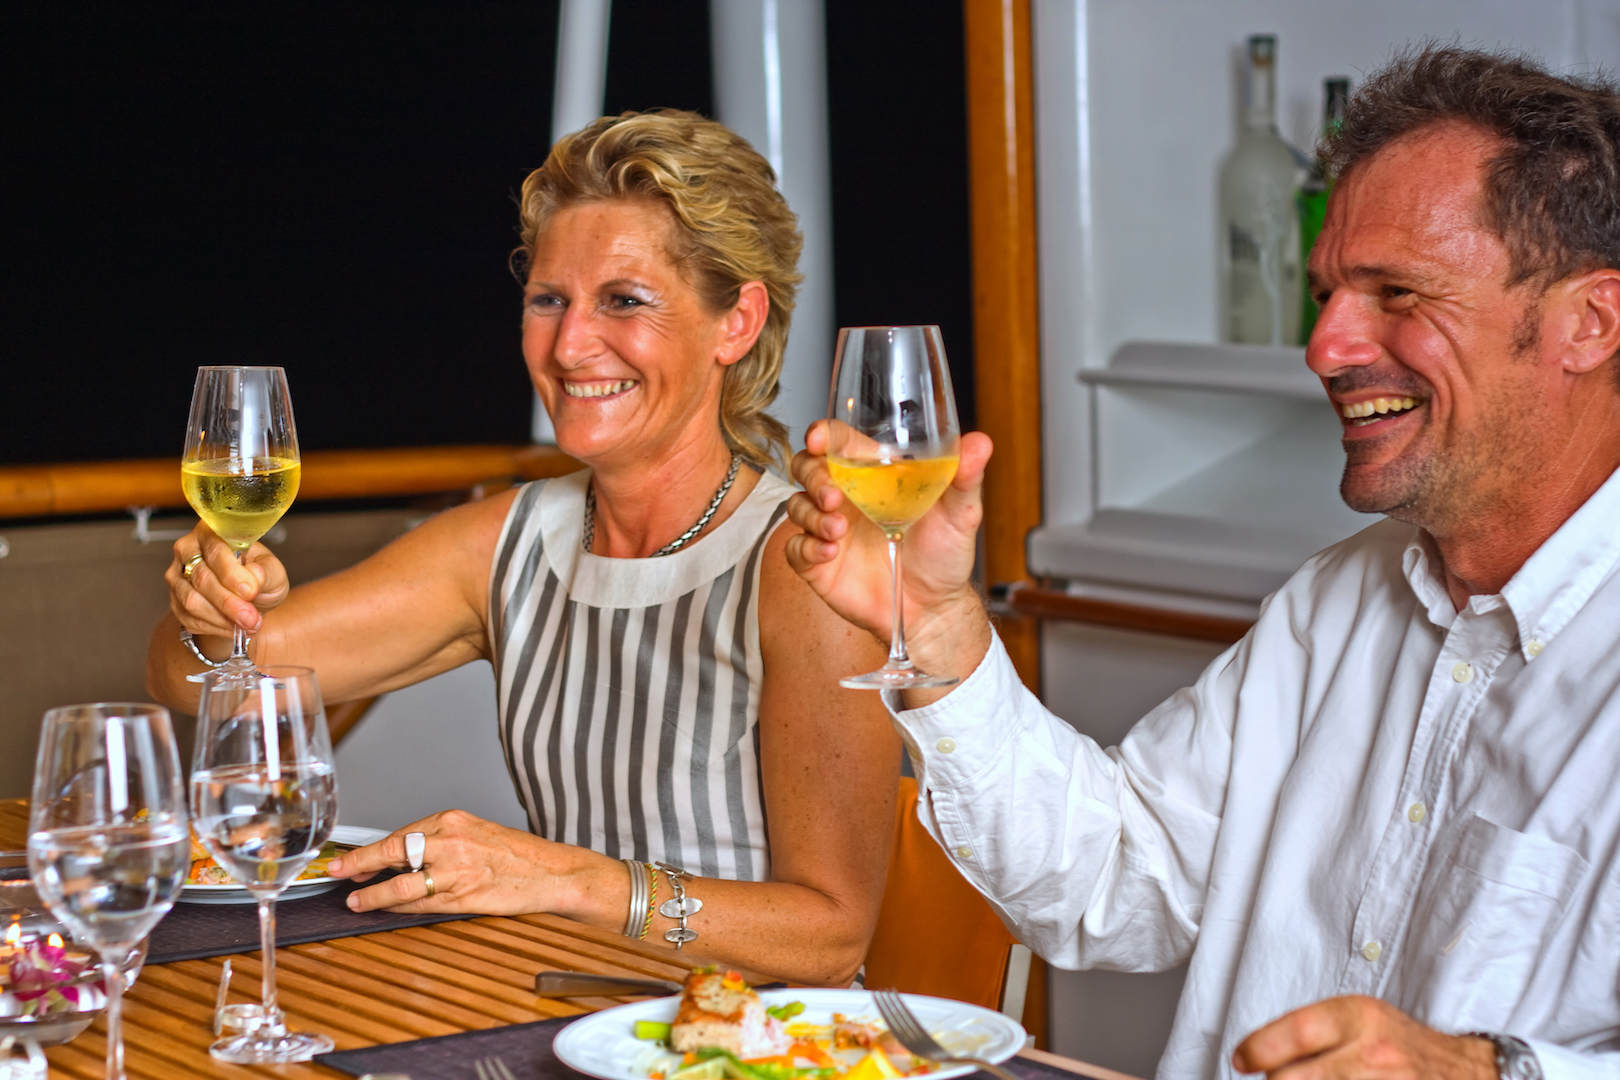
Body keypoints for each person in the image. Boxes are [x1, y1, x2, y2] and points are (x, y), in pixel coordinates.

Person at [787, 47, 1620, 1078]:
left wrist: (1484, 1071)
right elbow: (1109, 880)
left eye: (1398, 292)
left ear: (1591, 321)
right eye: (1327, 293)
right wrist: (943, 632)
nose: (1324, 346)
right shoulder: (1334, 603)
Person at [147, 110, 899, 986]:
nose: (570, 346)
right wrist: (213, 611)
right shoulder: (508, 540)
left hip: (754, 1035)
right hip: (558, 1008)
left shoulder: (804, 563)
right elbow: (194, 684)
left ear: (736, 321)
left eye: (624, 300)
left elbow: (831, 937)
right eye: (549, 300)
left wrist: (565, 881)